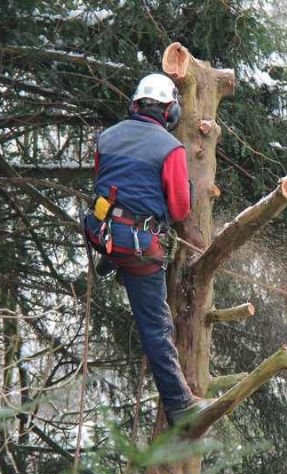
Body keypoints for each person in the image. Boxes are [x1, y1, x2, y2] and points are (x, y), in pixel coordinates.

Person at [83, 73, 207, 427]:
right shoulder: (170, 149)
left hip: (101, 231)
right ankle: (180, 404)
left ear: (135, 104)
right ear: (170, 112)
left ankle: (112, 257)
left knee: (119, 222)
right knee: (156, 326)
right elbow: (181, 210)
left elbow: (104, 182)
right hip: (136, 246)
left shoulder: (106, 137)